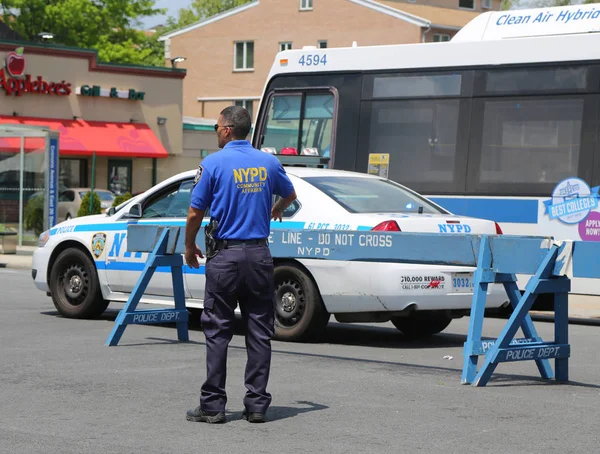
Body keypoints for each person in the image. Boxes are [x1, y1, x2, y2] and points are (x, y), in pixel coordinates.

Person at [184, 106, 297, 424]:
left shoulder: (213, 164)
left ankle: (213, 406)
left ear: (226, 130)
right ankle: (257, 405)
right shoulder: (268, 162)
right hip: (259, 257)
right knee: (260, 331)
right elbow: (290, 195)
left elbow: (195, 212)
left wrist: (189, 244)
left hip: (225, 257)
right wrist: (275, 208)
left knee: (217, 330)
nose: (216, 132)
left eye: (216, 127)